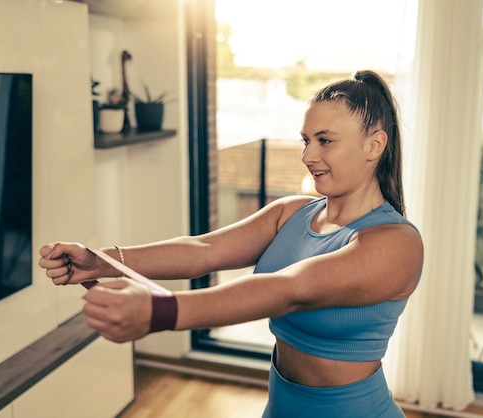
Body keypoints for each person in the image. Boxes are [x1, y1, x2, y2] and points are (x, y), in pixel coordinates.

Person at [39, 70, 423, 417]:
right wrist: (104, 261)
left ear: (374, 146)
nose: (308, 156)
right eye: (306, 140)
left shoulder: (395, 243)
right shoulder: (292, 213)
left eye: (325, 141)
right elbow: (203, 251)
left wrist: (159, 312)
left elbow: (289, 289)